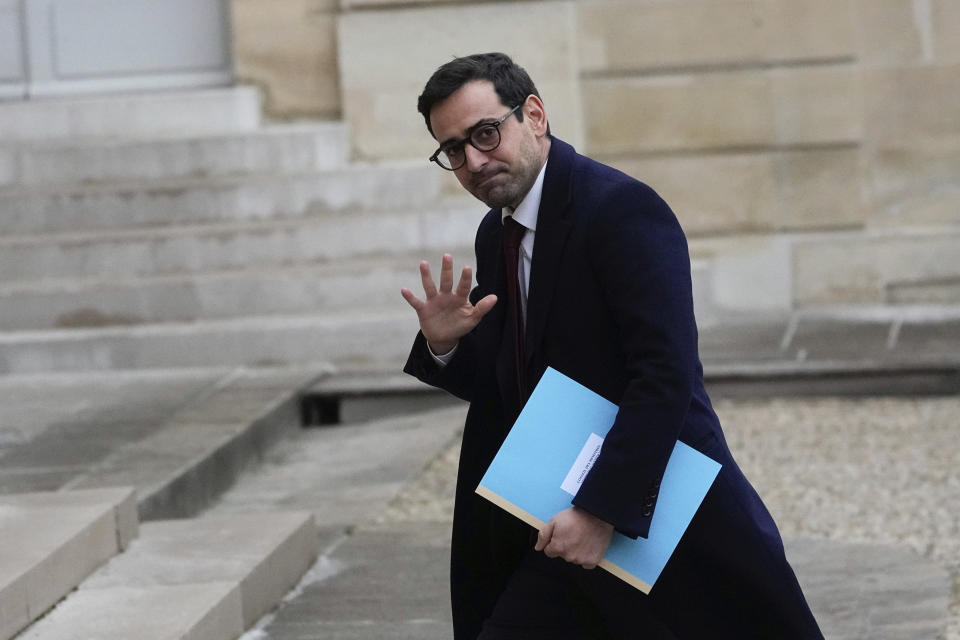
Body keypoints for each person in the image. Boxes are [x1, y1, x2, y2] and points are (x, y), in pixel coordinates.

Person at [401, 52, 823, 640]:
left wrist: (601, 511)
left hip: (654, 517)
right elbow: (516, 378)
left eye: (486, 133)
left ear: (535, 116)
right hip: (551, 516)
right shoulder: (496, 229)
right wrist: (446, 347)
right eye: (454, 149)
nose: (473, 160)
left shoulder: (620, 209)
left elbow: (665, 375)